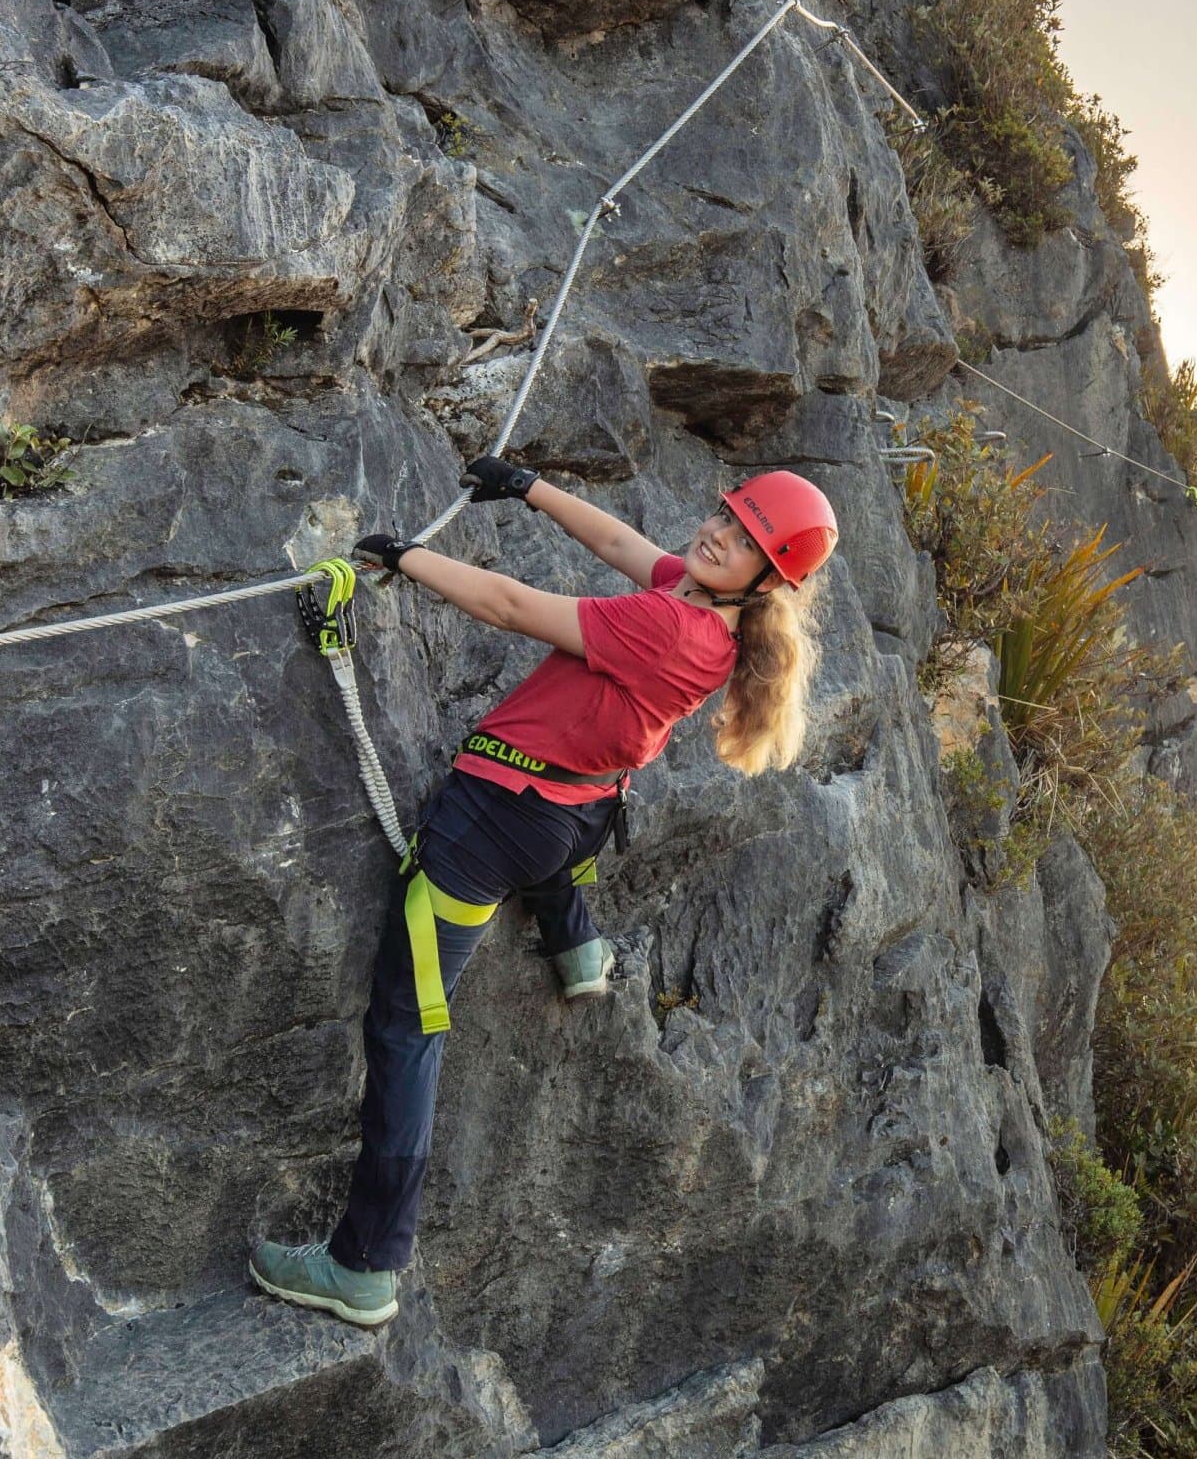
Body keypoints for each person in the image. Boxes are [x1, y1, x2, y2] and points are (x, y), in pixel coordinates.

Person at [248, 458, 837, 1328]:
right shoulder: (709, 608)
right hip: (568, 811)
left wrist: (403, 558)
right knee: (571, 825)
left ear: (767, 577)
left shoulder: (668, 628)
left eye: (746, 538)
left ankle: (366, 1263)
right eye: (725, 514)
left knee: (408, 1022)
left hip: (491, 822)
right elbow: (614, 539)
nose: (718, 533)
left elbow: (512, 607)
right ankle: (578, 945)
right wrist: (527, 488)